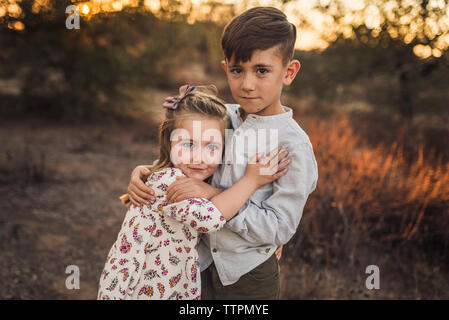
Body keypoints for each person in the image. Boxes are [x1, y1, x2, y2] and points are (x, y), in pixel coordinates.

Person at [126, 6, 319, 300]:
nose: (247, 84)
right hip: (194, 258)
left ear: (289, 72)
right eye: (237, 70)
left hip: (248, 273)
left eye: (262, 71)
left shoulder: (293, 146)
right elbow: (187, 161)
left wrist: (211, 194)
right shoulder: (221, 117)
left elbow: (279, 228)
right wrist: (145, 172)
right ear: (225, 68)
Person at [97, 85, 289, 300]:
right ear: (169, 143)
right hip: (142, 289)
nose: (199, 157)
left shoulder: (184, 175)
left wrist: (268, 235)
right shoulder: (169, 182)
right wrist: (251, 181)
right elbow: (211, 218)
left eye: (212, 147)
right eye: (188, 144)